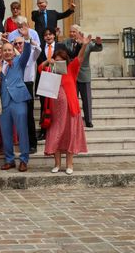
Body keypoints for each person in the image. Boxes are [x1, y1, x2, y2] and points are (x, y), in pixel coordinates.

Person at [40, 32, 92, 174]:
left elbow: (80, 58)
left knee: (69, 136)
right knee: (55, 135)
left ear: (66, 61)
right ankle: (57, 164)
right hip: (55, 111)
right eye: (56, 60)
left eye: (60, 61)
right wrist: (48, 62)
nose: (58, 63)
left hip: (70, 109)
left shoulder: (71, 69)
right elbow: (39, 69)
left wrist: (84, 45)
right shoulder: (50, 70)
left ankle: (70, 165)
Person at [0, 27, 37, 172]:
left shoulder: (20, 61)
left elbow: (27, 52)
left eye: (9, 50)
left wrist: (26, 38)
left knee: (21, 131)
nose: (7, 52)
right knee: (6, 131)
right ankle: (9, 160)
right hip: (4, 102)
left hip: (19, 100)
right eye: (4, 50)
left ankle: (24, 159)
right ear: (1, 52)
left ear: (13, 51)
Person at [62, 25, 103, 128]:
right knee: (72, 99)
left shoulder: (86, 43)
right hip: (71, 76)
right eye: (70, 32)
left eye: (74, 32)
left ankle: (88, 120)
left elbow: (96, 48)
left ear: (79, 33)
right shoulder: (66, 42)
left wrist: (98, 43)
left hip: (84, 74)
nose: (71, 34)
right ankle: (73, 120)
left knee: (87, 100)